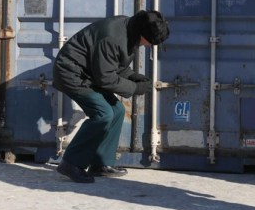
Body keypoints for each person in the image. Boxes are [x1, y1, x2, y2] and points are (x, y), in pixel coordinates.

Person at [52, 10, 170, 183]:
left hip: (89, 73)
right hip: (71, 74)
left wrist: (132, 76)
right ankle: (70, 163)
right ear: (143, 34)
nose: (149, 46)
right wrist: (135, 87)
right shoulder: (112, 37)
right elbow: (105, 77)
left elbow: (111, 63)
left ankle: (101, 163)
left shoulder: (130, 28)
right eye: (150, 42)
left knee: (117, 110)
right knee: (103, 114)